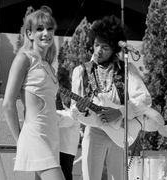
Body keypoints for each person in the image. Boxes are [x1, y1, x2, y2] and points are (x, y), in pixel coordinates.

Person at [70, 15, 153, 180]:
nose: (98, 50)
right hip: (94, 132)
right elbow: (74, 110)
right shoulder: (81, 72)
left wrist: (121, 112)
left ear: (115, 48)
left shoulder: (126, 69)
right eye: (96, 45)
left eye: (105, 47)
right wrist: (79, 110)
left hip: (120, 131)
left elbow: (144, 99)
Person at [2, 6, 65, 180]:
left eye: (49, 28)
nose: (46, 33)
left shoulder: (48, 64)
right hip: (35, 134)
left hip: (51, 135)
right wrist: (19, 139)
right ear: (29, 34)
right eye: (39, 29)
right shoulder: (24, 59)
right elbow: (8, 105)